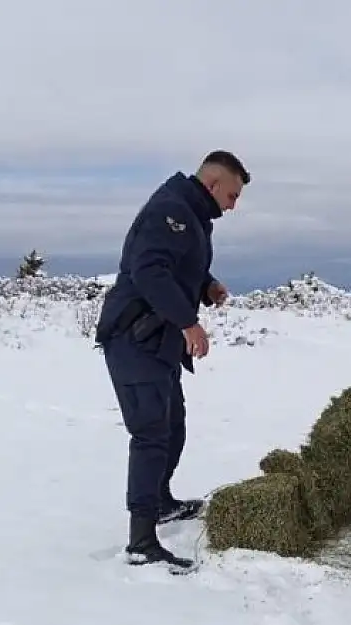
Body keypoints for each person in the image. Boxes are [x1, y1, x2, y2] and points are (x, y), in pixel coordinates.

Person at [93, 150, 250, 570]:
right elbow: (150, 272)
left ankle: (160, 501)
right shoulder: (170, 211)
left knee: (172, 425)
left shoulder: (191, 215)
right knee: (150, 434)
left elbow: (181, 268)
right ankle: (141, 541)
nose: (234, 206)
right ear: (213, 183)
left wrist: (208, 285)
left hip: (157, 343)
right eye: (233, 195)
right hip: (134, 339)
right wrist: (188, 322)